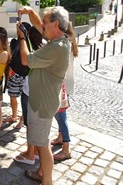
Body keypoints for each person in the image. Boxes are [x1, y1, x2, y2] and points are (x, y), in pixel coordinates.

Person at [17, 6, 76, 185]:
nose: (42, 25)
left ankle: (47, 181)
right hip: (44, 100)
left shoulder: (56, 47)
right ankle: (42, 172)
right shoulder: (59, 39)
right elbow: (39, 27)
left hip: (42, 104)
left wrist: (21, 37)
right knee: (41, 142)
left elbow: (25, 59)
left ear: (56, 24)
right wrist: (30, 12)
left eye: (45, 21)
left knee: (42, 146)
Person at [13, 26, 44, 164]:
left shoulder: (30, 51)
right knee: (35, 124)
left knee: (30, 124)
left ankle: (30, 153)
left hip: (30, 91)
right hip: (39, 92)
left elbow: (23, 62)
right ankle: (35, 151)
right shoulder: (44, 48)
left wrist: (21, 38)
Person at [51, 22, 78, 161]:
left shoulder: (64, 44)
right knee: (61, 115)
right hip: (64, 84)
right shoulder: (68, 42)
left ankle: (66, 149)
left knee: (61, 117)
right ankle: (61, 137)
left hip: (61, 85)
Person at [4, 22, 32, 126]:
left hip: (26, 74)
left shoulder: (29, 44)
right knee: (12, 95)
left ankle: (22, 118)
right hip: (15, 73)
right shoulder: (14, 42)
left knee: (24, 99)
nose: (17, 32)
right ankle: (14, 115)